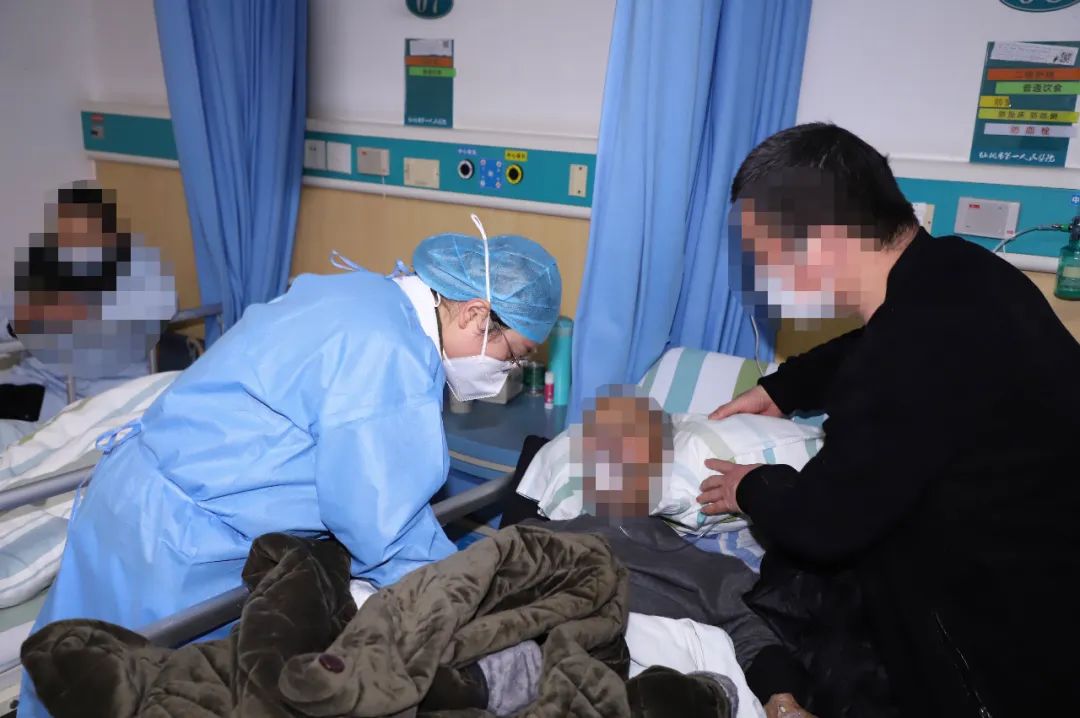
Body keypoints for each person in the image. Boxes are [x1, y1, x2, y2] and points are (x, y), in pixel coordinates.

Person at [17, 215, 562, 717]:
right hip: (175, 544)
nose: (509, 371)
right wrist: (474, 598)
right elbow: (382, 526)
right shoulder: (388, 355)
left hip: (127, 495)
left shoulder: (369, 295)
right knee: (136, 691)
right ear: (474, 314)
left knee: (64, 670)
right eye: (514, 354)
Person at [696, 123, 1080, 717]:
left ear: (822, 237)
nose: (764, 275)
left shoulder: (908, 352)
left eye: (766, 255)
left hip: (1005, 658)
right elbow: (878, 342)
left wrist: (751, 485)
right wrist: (784, 387)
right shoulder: (958, 269)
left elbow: (823, 522)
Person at [502, 388, 817, 718]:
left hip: (667, 686)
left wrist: (784, 705)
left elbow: (752, 634)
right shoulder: (538, 536)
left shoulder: (706, 565)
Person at [1, 181, 176, 429]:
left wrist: (84, 311)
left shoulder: (138, 271)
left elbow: (160, 307)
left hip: (90, 395)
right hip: (34, 383)